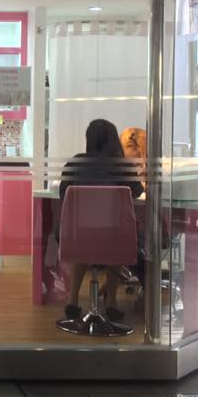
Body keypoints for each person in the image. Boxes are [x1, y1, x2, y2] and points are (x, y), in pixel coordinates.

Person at [59, 119, 144, 323]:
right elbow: (137, 191)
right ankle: (111, 302)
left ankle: (72, 301)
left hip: (78, 237)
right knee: (115, 240)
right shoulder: (121, 167)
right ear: (114, 141)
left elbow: (64, 194)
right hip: (112, 237)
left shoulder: (75, 163)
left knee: (83, 240)